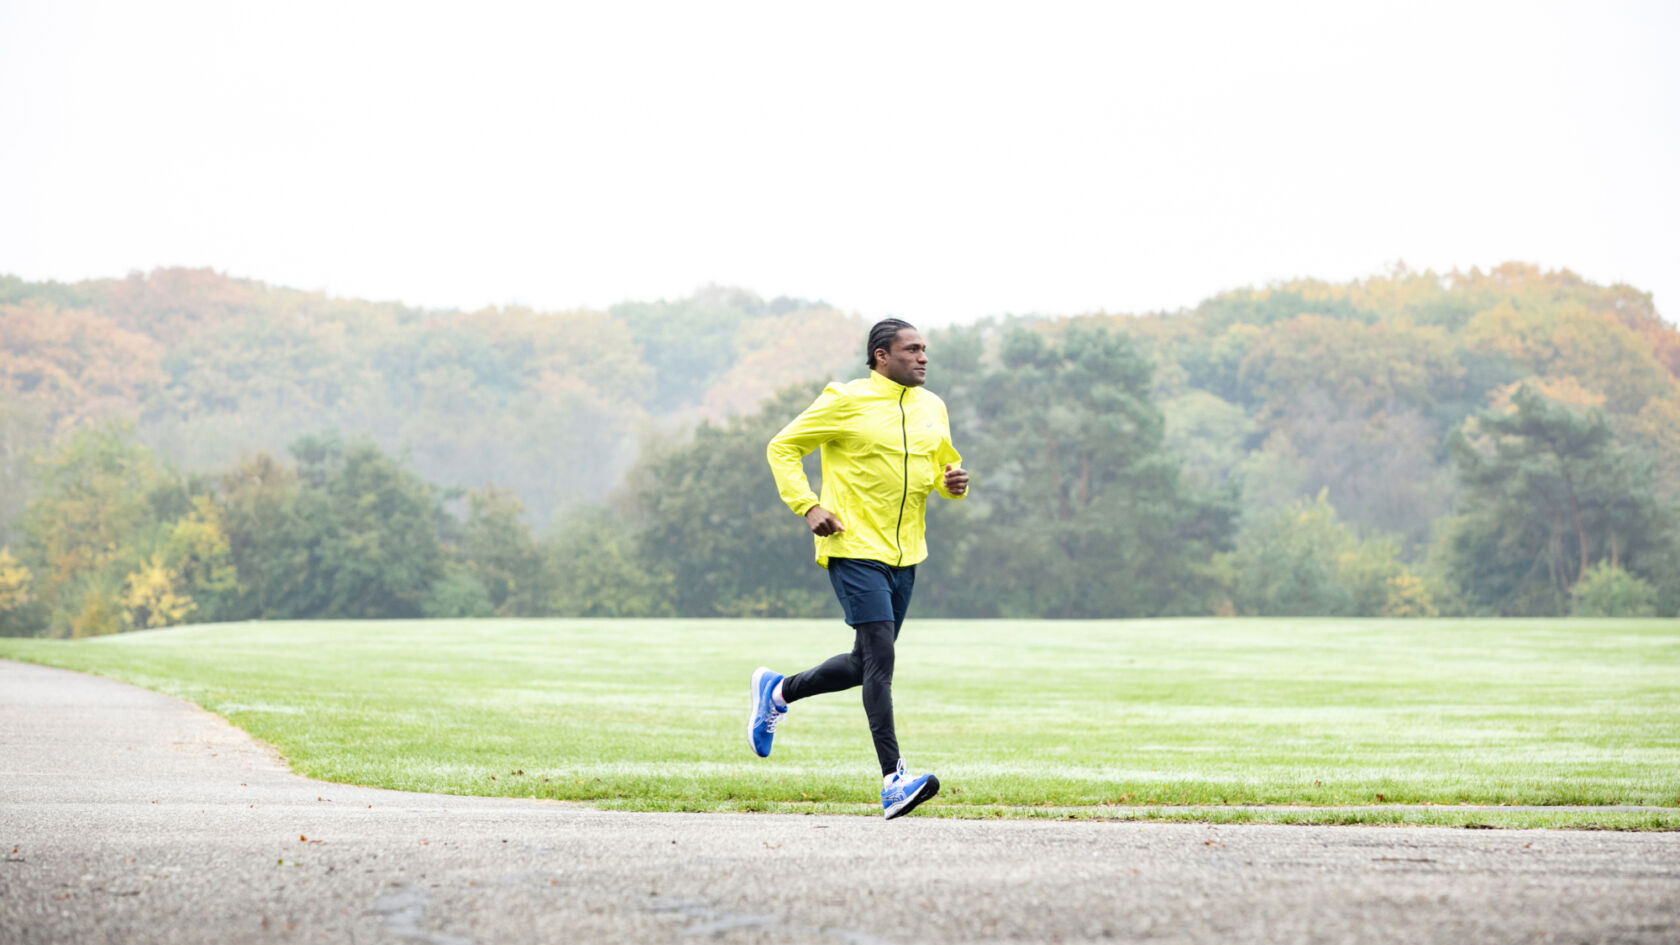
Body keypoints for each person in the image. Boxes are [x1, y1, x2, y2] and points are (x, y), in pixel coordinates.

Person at [750, 317, 969, 819]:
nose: (923, 357)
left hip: (907, 553)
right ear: (880, 356)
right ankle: (894, 780)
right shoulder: (845, 400)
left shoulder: (933, 407)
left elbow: (940, 471)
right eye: (911, 349)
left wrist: (952, 484)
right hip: (852, 545)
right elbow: (782, 447)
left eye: (924, 349)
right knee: (881, 662)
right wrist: (808, 505)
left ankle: (777, 691)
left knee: (864, 662)